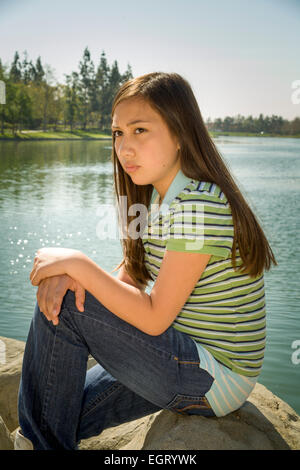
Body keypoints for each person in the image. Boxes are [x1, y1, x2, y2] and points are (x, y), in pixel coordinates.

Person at [16, 72, 277, 450]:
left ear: (179, 132)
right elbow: (127, 280)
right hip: (182, 358)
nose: (124, 147)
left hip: (211, 376)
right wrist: (74, 277)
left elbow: (154, 318)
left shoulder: (198, 205)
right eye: (118, 133)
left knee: (67, 306)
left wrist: (77, 265)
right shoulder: (159, 201)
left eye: (140, 130)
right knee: (57, 412)